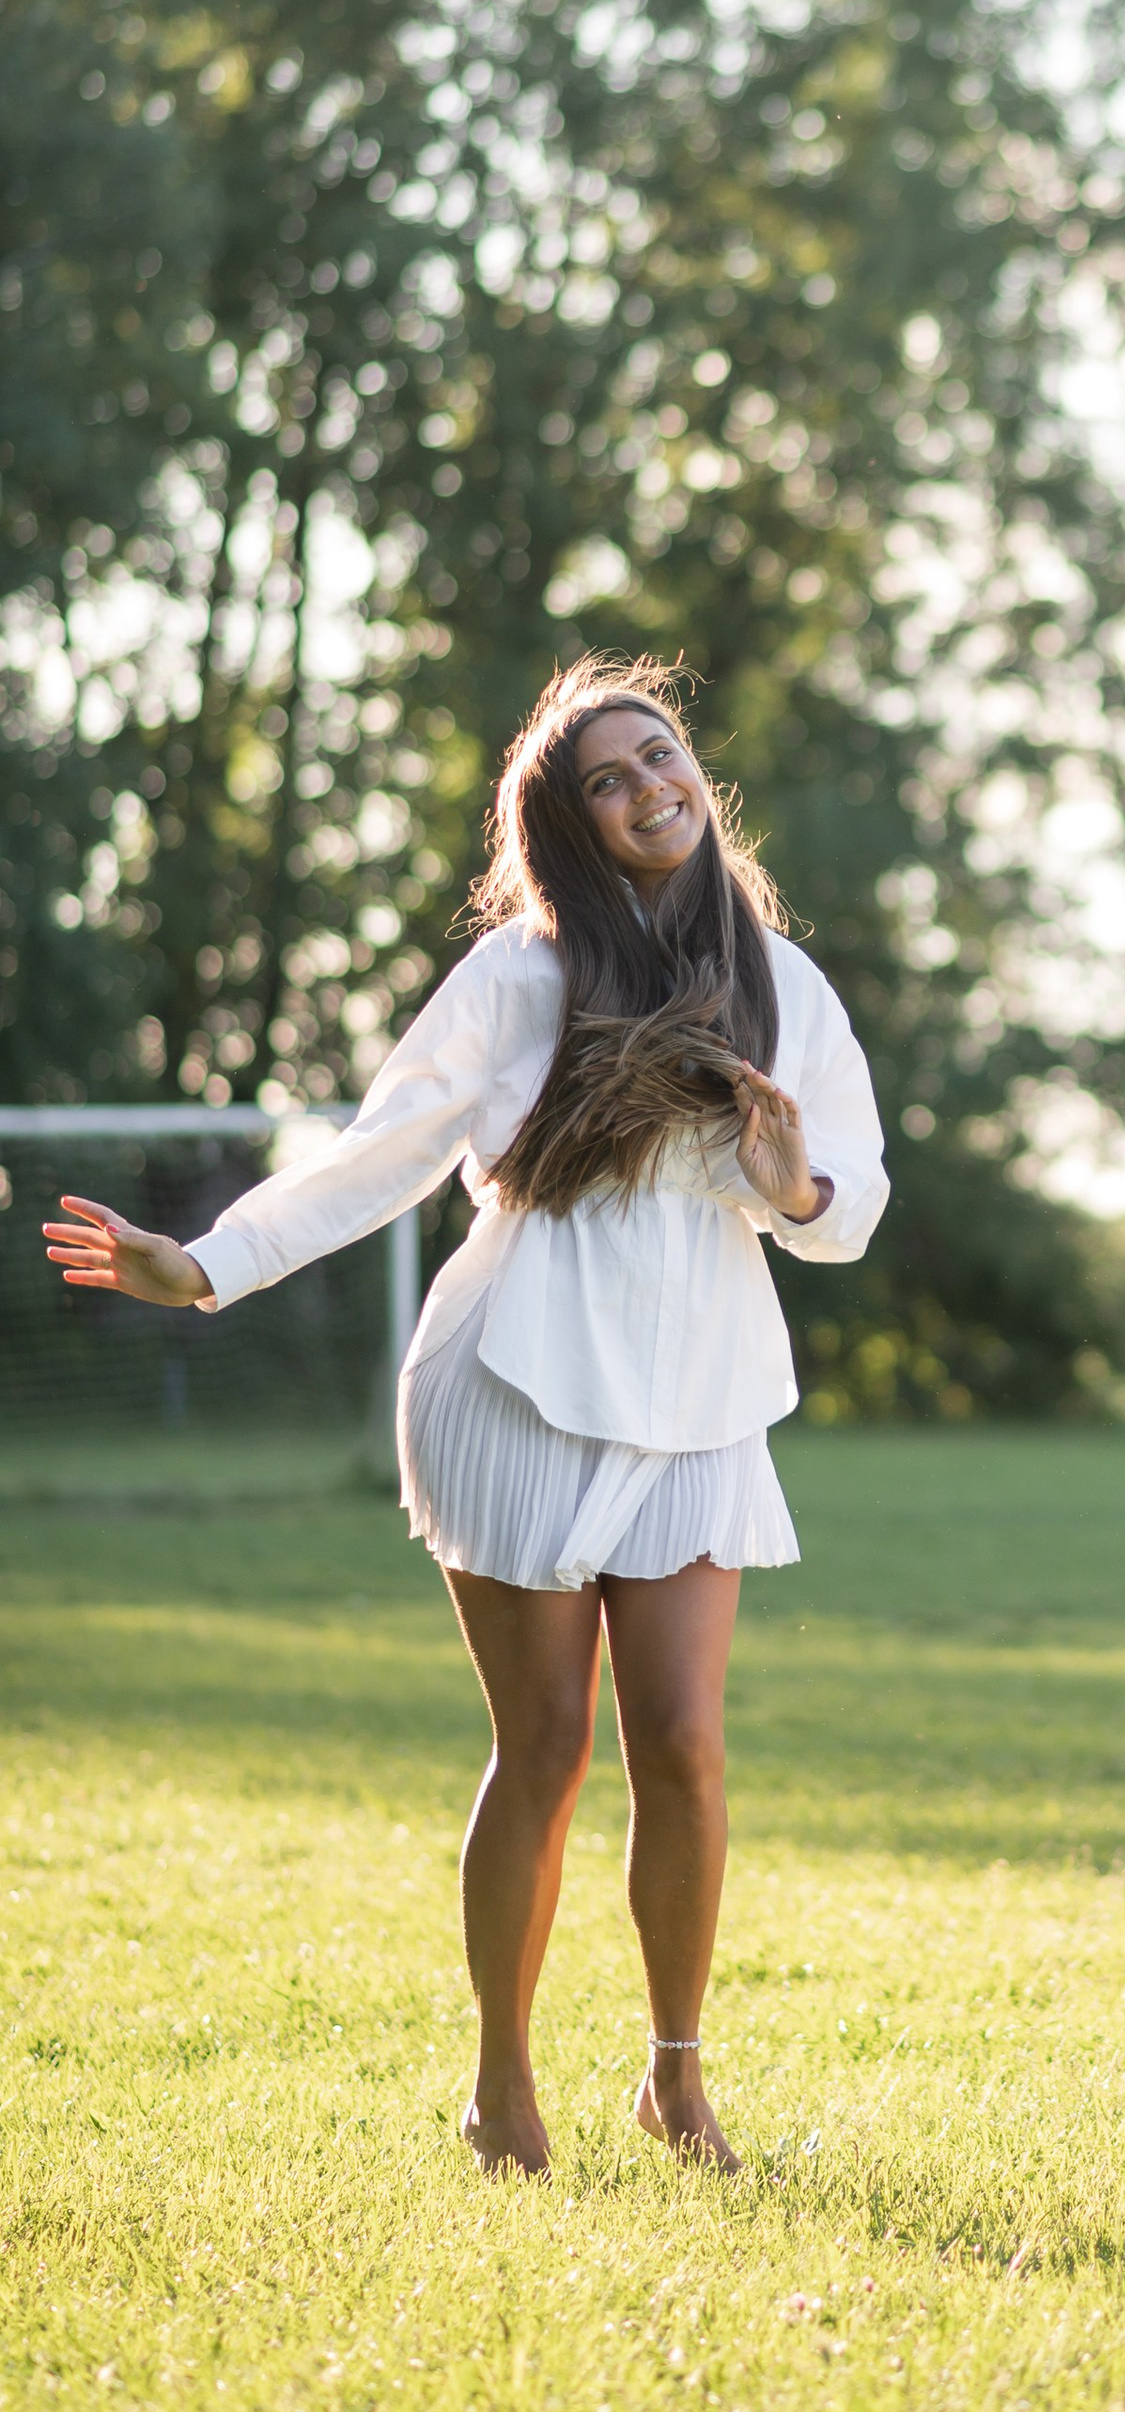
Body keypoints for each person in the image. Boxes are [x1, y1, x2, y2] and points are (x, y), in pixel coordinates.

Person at [45, 657, 888, 2180]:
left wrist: (799, 1187)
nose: (647, 790)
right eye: (606, 782)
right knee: (545, 1744)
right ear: (566, 825)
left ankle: (675, 2080)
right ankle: (502, 2082)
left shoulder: (782, 982)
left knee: (685, 1745)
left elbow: (853, 1203)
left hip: (700, 1398)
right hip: (514, 1380)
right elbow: (382, 1152)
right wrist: (210, 1264)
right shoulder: (519, 976)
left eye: (659, 755)